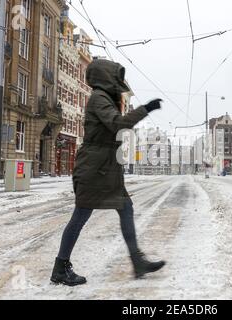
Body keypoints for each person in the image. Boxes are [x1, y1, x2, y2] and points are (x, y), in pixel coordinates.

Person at [51, 59, 166, 286]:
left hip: (105, 167)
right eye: (117, 77)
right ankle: (60, 268)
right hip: (95, 168)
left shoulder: (104, 98)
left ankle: (137, 260)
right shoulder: (99, 98)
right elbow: (118, 125)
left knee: (125, 209)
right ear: (106, 77)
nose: (120, 82)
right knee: (80, 216)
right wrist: (146, 108)